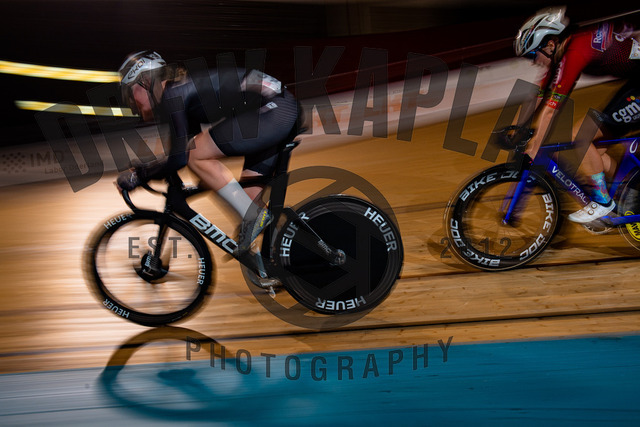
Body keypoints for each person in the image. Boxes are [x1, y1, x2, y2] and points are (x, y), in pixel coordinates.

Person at [116, 50, 301, 253]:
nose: (131, 102)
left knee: (196, 156)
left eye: (130, 93)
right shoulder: (179, 92)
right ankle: (286, 255)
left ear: (145, 81)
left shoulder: (173, 96)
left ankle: (256, 219)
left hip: (273, 111)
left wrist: (140, 175)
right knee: (246, 199)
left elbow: (182, 157)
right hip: (279, 109)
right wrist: (159, 172)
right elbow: (180, 154)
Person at [514, 7, 640, 223]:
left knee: (581, 136)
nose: (534, 61)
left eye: (533, 54)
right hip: (634, 83)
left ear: (550, 44)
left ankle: (602, 202)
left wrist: (534, 147)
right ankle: (629, 195)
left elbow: (551, 109)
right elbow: (538, 94)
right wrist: (517, 128)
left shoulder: (576, 50)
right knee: (595, 151)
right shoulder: (564, 50)